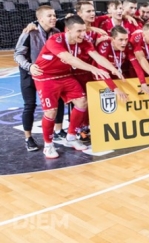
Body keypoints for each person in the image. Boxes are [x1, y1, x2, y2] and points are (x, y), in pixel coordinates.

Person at [33, 15, 122, 158]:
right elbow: (70, 59)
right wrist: (93, 69)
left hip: (64, 75)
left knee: (82, 102)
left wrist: (113, 69)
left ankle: (71, 137)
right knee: (51, 112)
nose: (83, 34)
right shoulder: (55, 40)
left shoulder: (84, 41)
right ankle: (48, 145)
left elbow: (97, 56)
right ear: (68, 30)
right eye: (79, 31)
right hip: (46, 77)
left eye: (84, 30)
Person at [14, 5, 67, 151]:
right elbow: (17, 54)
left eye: (54, 15)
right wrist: (29, 66)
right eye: (49, 16)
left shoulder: (56, 32)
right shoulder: (29, 32)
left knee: (59, 100)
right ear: (40, 19)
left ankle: (58, 130)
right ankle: (28, 138)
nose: (53, 18)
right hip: (30, 73)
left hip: (49, 75)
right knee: (30, 105)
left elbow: (67, 21)